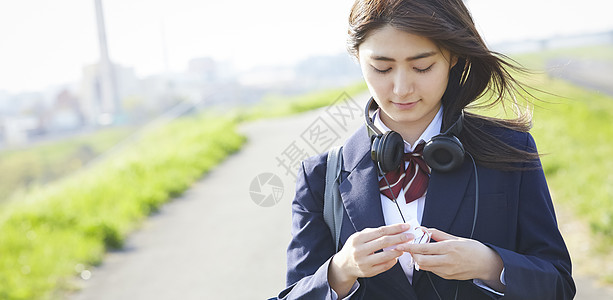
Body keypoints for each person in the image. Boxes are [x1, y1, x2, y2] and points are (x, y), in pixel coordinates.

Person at [275, 0, 575, 299]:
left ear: (452, 57)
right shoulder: (320, 176)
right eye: (382, 68)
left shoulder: (509, 148)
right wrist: (340, 271)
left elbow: (558, 285)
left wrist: (490, 265)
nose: (402, 88)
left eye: (422, 67)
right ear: (357, 58)